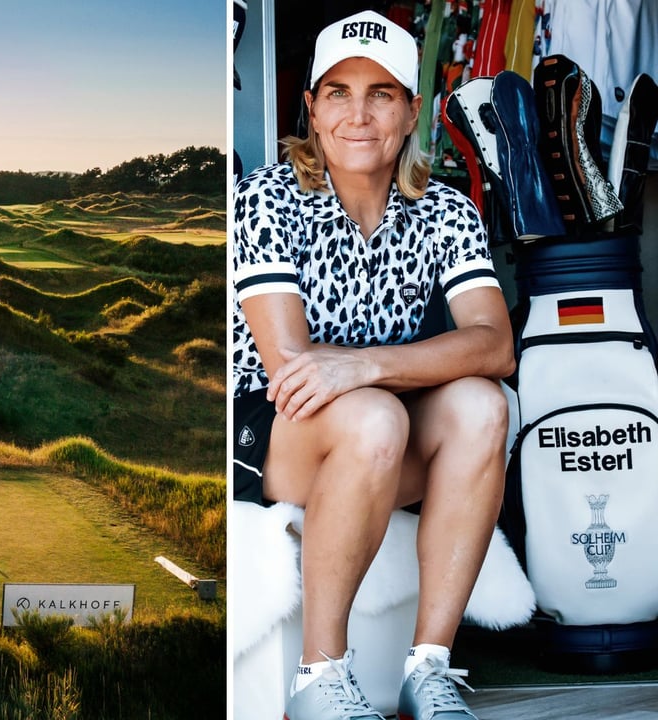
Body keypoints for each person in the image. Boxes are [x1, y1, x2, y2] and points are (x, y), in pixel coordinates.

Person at [233, 9, 515, 720]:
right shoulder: (266, 196)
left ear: (410, 110)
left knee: (483, 404)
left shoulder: (445, 211)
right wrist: (392, 374)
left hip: (373, 425)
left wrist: (363, 367)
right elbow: (291, 367)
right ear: (313, 108)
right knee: (374, 415)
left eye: (382, 93)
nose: (359, 114)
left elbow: (493, 344)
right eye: (339, 92)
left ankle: (430, 670)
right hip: (267, 432)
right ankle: (319, 677)